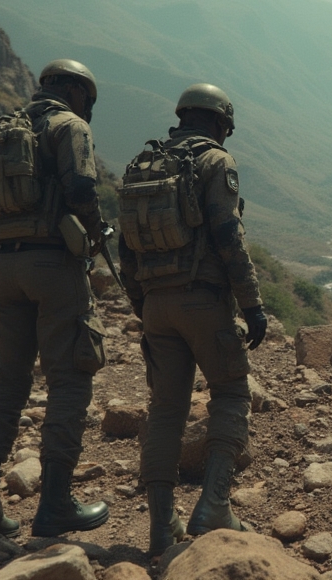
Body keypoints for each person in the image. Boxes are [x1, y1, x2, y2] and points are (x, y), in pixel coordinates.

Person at [118, 83, 267, 556]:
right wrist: (252, 304)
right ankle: (214, 505)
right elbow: (228, 237)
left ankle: (162, 527)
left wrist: (142, 302)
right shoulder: (215, 162)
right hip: (202, 300)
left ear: (182, 117)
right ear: (221, 124)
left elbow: (125, 244)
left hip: (156, 305)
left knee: (165, 410)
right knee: (229, 392)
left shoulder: (144, 163)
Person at [0, 59, 110, 538]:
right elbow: (81, 188)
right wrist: (96, 235)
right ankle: (54, 506)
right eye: (88, 98)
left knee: (7, 383)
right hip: (52, 265)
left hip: (1, 268)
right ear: (73, 90)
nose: (88, 108)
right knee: (69, 380)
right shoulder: (68, 127)